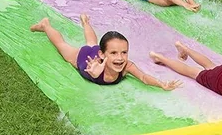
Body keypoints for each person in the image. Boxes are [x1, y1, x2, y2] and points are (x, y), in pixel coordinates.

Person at [30, 14, 183, 89]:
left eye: (124, 52)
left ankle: (86, 22)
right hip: (84, 56)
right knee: (62, 45)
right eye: (114, 53)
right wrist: (94, 72)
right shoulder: (95, 64)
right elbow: (94, 69)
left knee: (92, 42)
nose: (120, 58)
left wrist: (161, 84)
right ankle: (45, 25)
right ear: (103, 55)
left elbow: (143, 77)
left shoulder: (126, 66)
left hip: (99, 52)